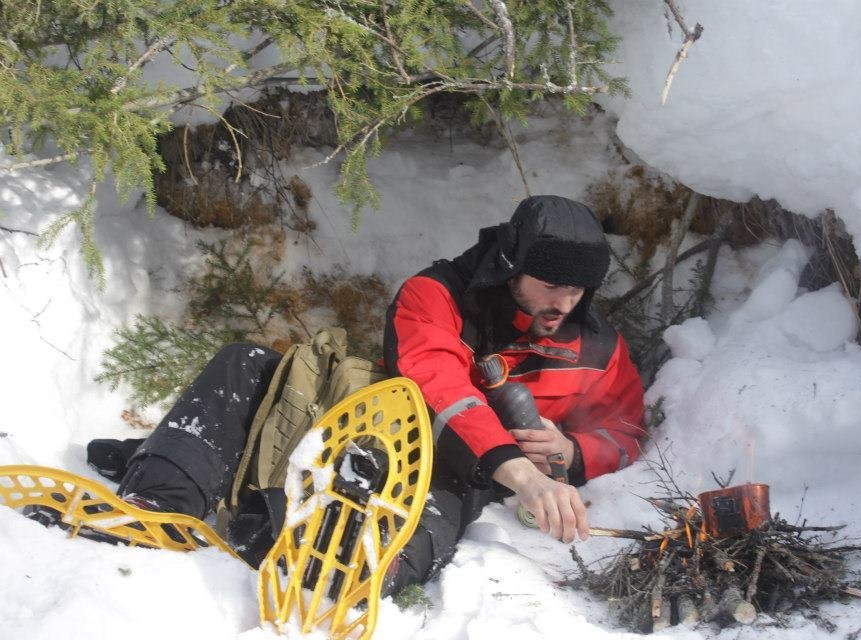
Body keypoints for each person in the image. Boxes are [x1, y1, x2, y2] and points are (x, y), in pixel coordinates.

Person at [86, 194, 646, 592]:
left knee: (364, 569)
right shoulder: (436, 295)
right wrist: (519, 472)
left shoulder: (598, 346)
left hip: (449, 478)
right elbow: (440, 388)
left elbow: (629, 432)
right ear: (509, 267)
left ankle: (275, 530)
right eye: (551, 287)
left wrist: (572, 451)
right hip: (380, 428)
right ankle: (158, 503)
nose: (564, 305)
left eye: (577, 290)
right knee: (246, 366)